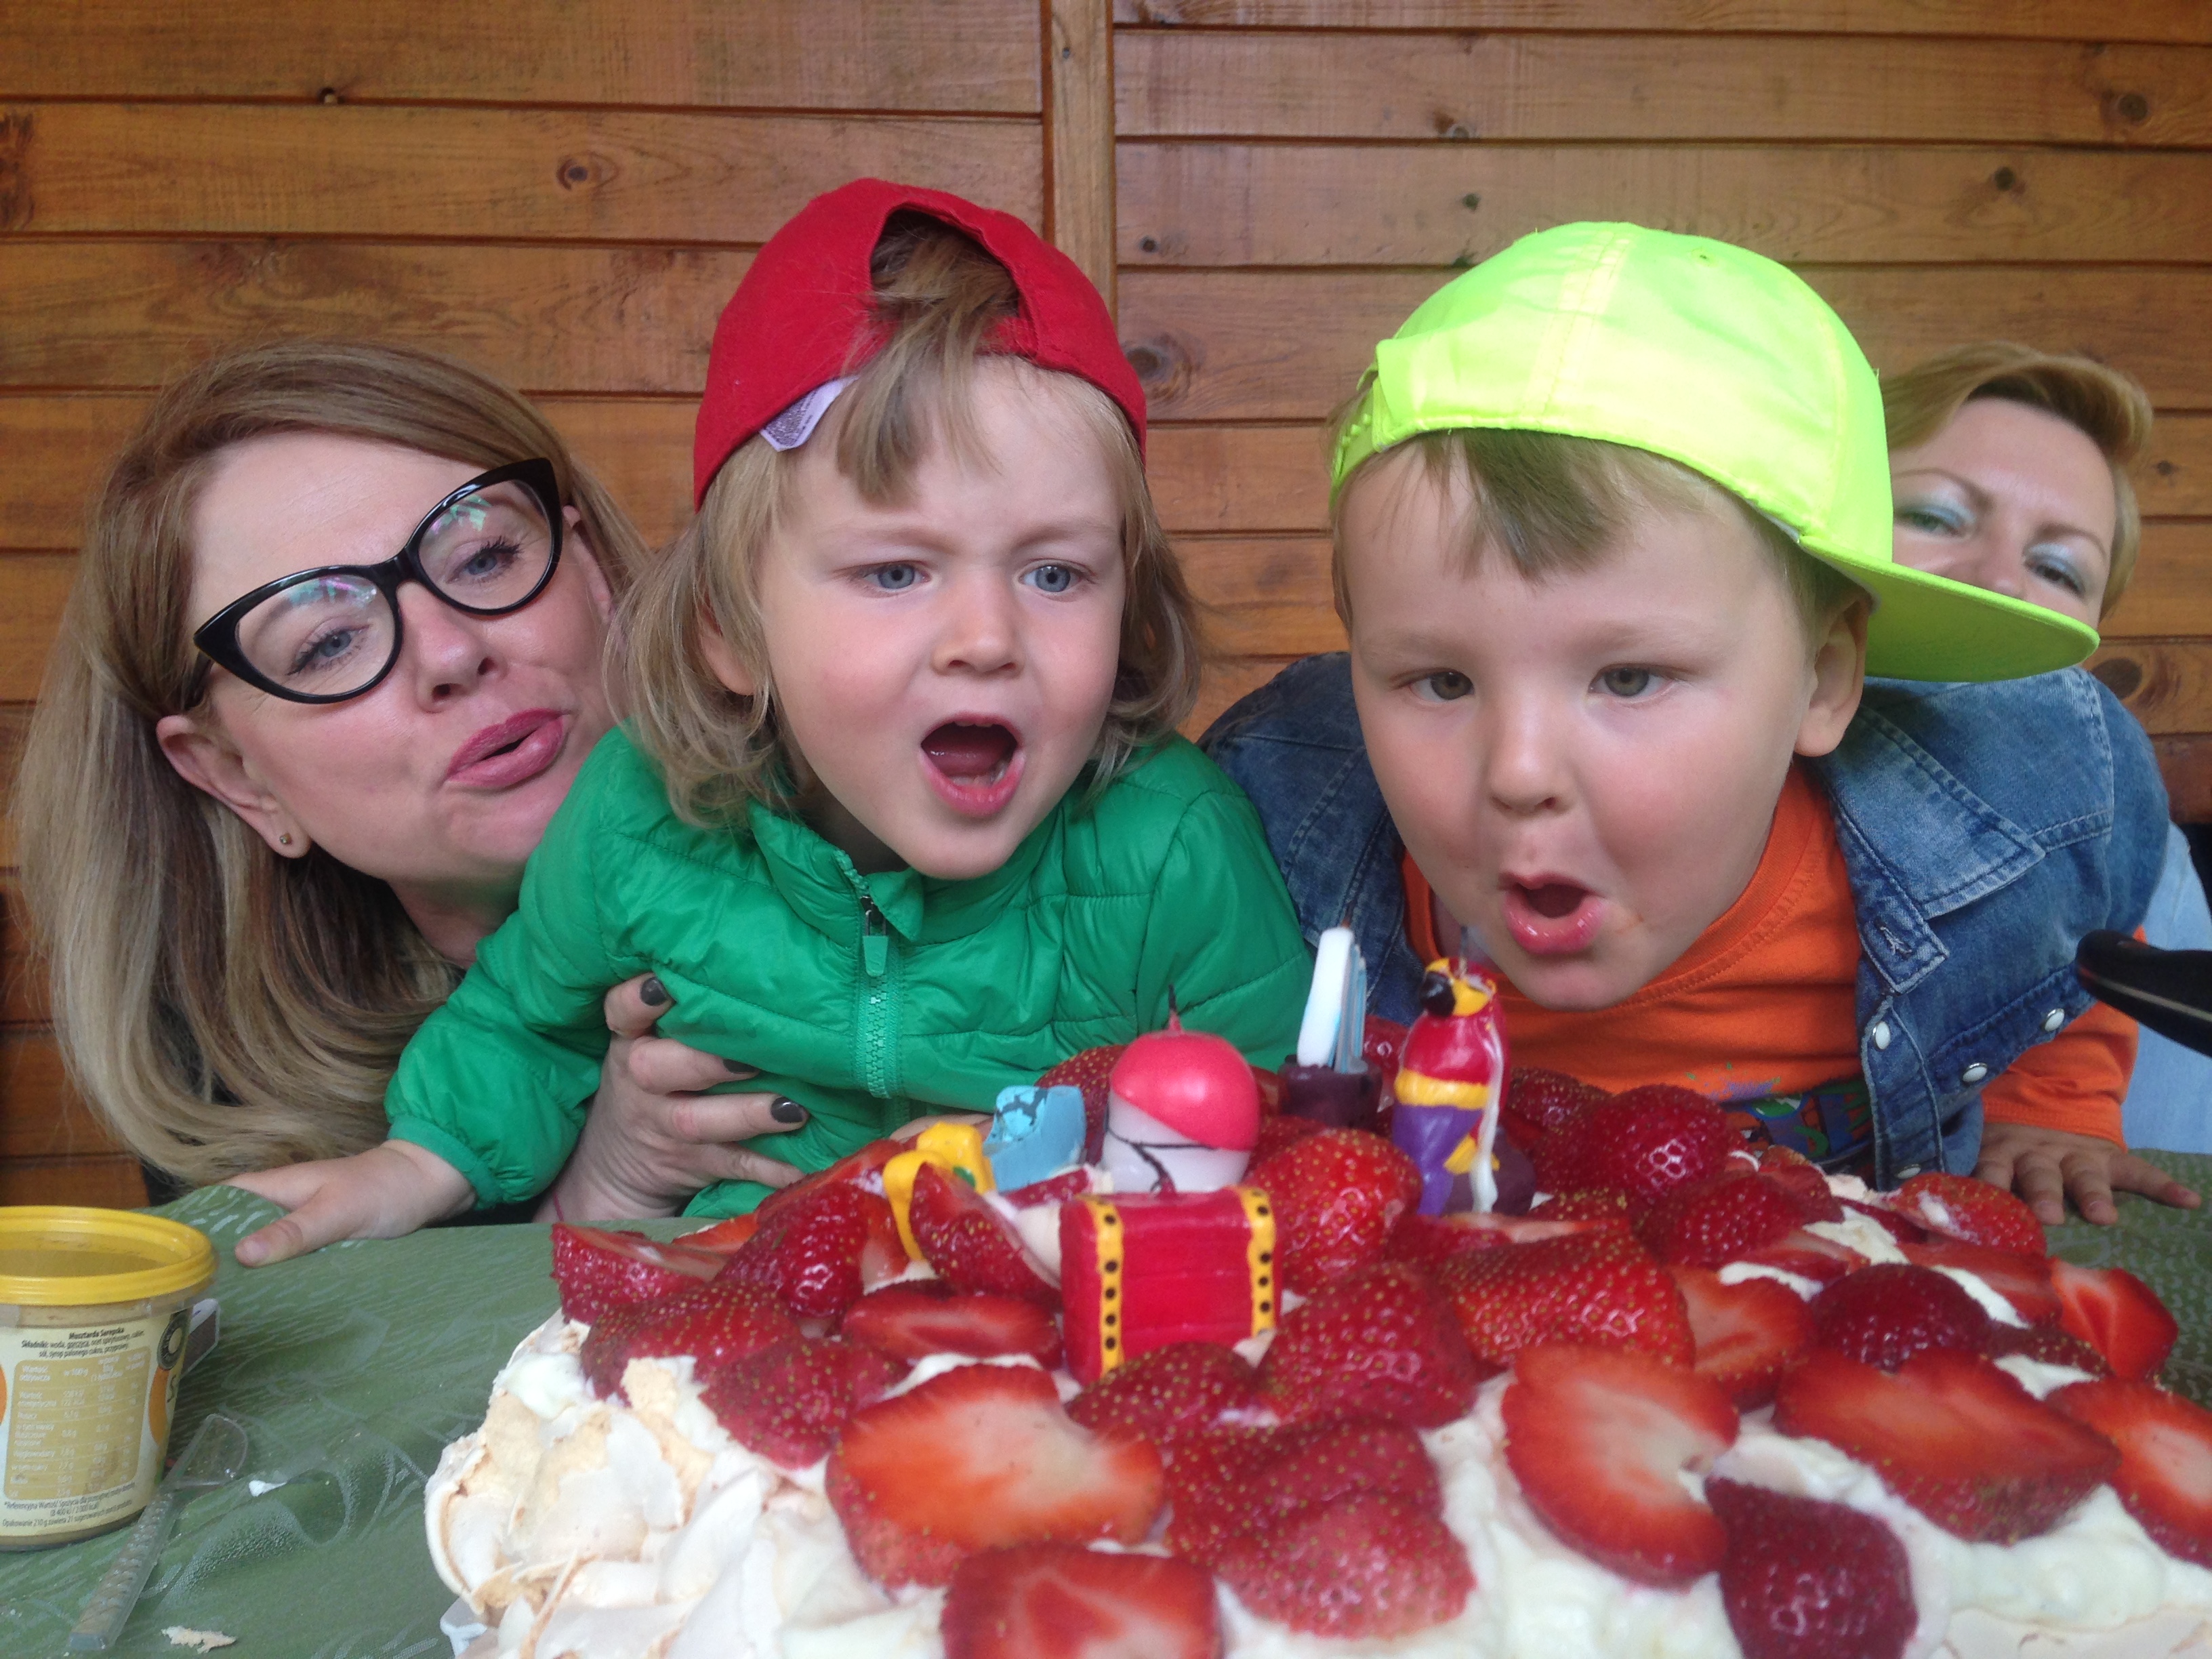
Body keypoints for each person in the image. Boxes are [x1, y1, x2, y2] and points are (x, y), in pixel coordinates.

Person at [227, 180, 1314, 1260]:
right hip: (739, 1305)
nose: (987, 638)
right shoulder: (639, 816)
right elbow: (525, 1019)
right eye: (895, 572)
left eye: (1055, 573)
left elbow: (1280, 1132)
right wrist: (417, 1164)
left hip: (1064, 1307)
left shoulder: (1176, 848)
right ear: (731, 631)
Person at [1205, 222, 2196, 1226]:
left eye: (1628, 677)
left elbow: (2074, 920)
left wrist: (2055, 1106)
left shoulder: (2007, 822)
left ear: (1822, 679)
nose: (1518, 771)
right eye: (1443, 681)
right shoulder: (1273, 819)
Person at [12, 339, 816, 1261]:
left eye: (482, 558)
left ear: (592, 576)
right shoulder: (224, 1077)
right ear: (235, 775)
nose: (452, 652)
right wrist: (606, 1187)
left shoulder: (866, 831)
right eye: (328, 643)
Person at [1881, 342, 2212, 1153]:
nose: (1998, 581)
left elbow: (2080, 960)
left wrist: (2055, 1111)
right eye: (1934, 517)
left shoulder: (2097, 842)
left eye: (2059, 570)